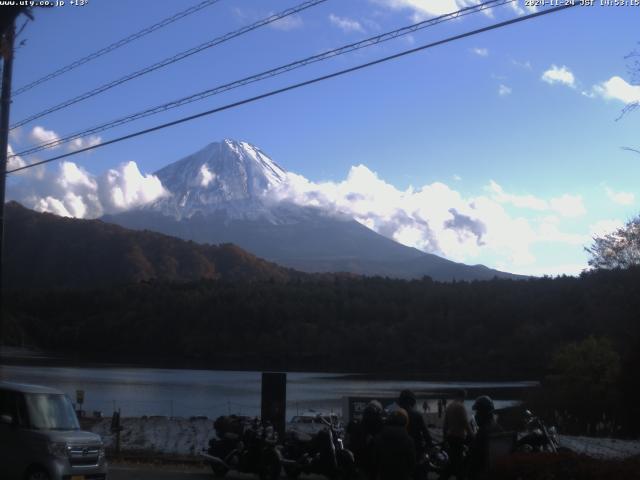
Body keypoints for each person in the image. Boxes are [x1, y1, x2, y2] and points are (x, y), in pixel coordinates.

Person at [397, 389, 433, 479]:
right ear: (412, 401)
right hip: (416, 452)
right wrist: (428, 449)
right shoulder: (417, 415)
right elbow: (427, 436)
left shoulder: (395, 414)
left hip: (398, 453)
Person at [374, 408, 416, 480]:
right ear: (405, 422)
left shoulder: (378, 438)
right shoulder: (409, 440)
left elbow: (375, 460)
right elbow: (412, 462)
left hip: (384, 475)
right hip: (403, 476)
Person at [441, 389, 473, 480]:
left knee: (453, 462)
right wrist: (472, 435)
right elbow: (465, 423)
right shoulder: (460, 407)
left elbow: (445, 424)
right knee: (458, 463)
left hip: (450, 437)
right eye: (464, 397)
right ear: (463, 396)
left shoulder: (450, 406)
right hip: (458, 437)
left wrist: (444, 438)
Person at [467, 395, 502, 480]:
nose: (476, 415)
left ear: (483, 413)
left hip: (483, 471)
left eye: (478, 412)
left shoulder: (483, 432)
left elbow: (474, 456)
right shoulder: (498, 428)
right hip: (497, 468)